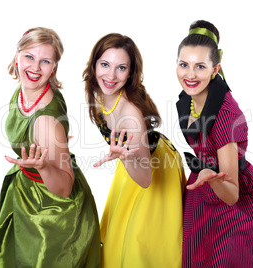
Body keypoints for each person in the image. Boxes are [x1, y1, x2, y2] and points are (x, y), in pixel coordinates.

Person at [0, 27, 101, 268]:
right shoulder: (25, 90)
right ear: (17, 55)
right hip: (26, 192)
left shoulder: (45, 122)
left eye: (45, 61)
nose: (35, 68)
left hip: (51, 212)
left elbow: (64, 187)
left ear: (54, 68)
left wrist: (42, 167)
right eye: (30, 57)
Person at [176, 20, 253, 267]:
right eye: (184, 64)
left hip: (231, 197)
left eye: (200, 66)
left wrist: (211, 175)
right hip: (204, 187)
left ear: (215, 68)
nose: (190, 74)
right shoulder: (190, 98)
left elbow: (231, 194)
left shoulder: (225, 115)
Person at [83, 33, 186, 268]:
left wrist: (125, 158)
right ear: (94, 64)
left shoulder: (130, 116)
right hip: (130, 159)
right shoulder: (99, 91)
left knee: (140, 246)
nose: (110, 75)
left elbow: (146, 179)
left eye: (121, 68)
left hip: (152, 169)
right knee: (118, 238)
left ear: (130, 73)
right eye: (105, 64)